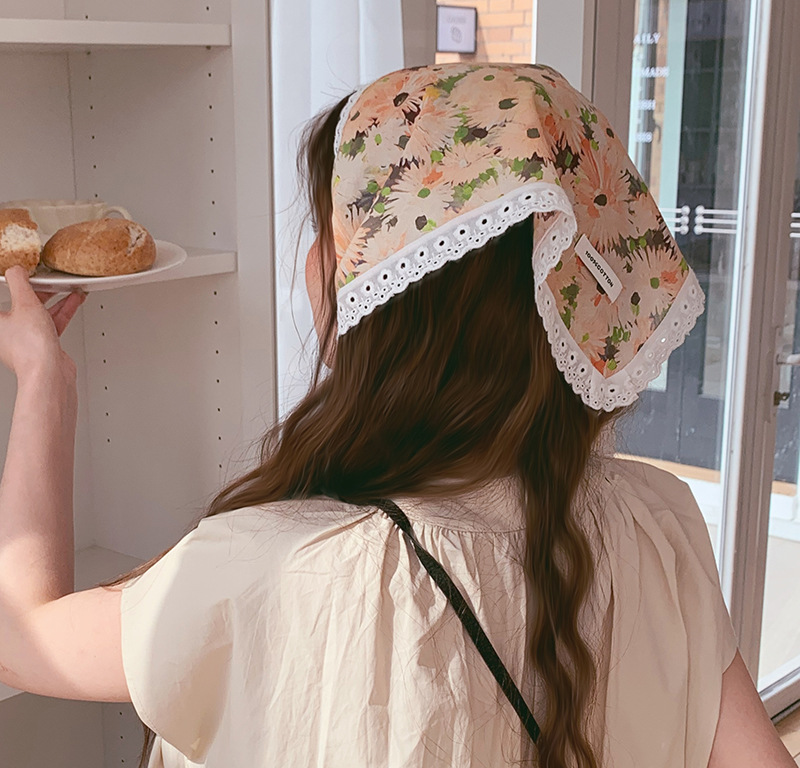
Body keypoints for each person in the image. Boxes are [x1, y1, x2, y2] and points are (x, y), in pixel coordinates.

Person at [0, 62, 794, 768]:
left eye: (333, 231)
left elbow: (19, 638)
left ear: (391, 293)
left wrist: (44, 381)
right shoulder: (656, 524)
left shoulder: (283, 569)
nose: (313, 260)